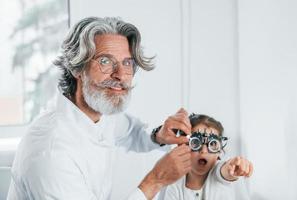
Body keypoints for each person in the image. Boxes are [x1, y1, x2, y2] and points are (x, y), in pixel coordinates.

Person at [7, 17, 192, 200]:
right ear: (77, 68)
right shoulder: (51, 153)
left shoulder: (97, 110)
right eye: (105, 61)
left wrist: (159, 135)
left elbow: (130, 132)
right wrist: (156, 181)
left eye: (127, 63)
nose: (120, 75)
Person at [159, 114, 254, 200]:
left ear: (219, 151)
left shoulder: (218, 172)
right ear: (182, 146)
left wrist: (232, 167)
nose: (204, 151)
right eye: (195, 142)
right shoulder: (175, 184)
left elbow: (225, 172)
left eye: (213, 144)